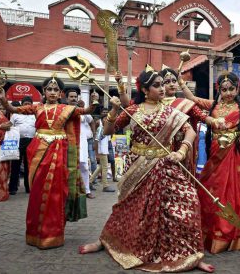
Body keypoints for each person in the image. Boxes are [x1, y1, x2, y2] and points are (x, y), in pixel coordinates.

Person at [79, 70, 215, 273]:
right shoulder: (134, 110)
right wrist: (114, 111)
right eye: (157, 85)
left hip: (167, 166)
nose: (162, 88)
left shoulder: (171, 111)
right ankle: (105, 241)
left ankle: (190, 255)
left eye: (163, 84)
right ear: (144, 89)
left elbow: (190, 130)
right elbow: (108, 131)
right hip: (138, 166)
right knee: (127, 209)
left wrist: (182, 150)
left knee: (187, 204)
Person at [0, 75, 98, 249]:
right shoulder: (36, 108)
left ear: (60, 93)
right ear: (44, 92)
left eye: (55, 90)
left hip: (59, 151)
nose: (52, 92)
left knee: (56, 191)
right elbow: (13, 109)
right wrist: (3, 99)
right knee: (37, 190)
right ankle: (34, 233)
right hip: (38, 150)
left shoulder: (66, 109)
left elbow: (87, 111)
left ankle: (53, 234)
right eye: (49, 89)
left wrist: (95, 102)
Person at [179, 72, 240, 253]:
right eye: (224, 89)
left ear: (237, 88)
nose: (228, 93)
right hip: (216, 155)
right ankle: (215, 231)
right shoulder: (213, 106)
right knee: (213, 190)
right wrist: (181, 82)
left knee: (236, 194)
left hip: (237, 157)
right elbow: (192, 98)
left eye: (232, 89)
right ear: (219, 90)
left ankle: (236, 236)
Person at [65, 89, 95, 199]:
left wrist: (93, 133)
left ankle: (87, 190)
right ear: (67, 98)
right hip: (68, 142)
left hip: (82, 142)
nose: (73, 98)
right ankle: (68, 191)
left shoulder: (82, 111)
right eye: (71, 97)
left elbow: (91, 120)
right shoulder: (63, 110)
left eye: (75, 97)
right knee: (68, 167)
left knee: (84, 166)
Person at [9, 96, 36, 195]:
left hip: (32, 141)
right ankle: (13, 188)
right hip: (18, 141)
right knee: (15, 165)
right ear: (22, 105)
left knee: (29, 165)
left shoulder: (35, 115)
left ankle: (28, 187)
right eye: (25, 104)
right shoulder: (15, 115)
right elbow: (10, 127)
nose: (27, 106)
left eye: (29, 104)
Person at [89, 107, 115, 192]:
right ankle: (105, 185)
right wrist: (96, 154)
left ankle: (89, 181)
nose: (106, 121)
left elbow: (108, 138)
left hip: (104, 151)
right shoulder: (101, 128)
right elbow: (96, 141)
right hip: (102, 151)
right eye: (105, 119)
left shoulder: (106, 129)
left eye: (107, 120)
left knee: (100, 167)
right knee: (105, 168)